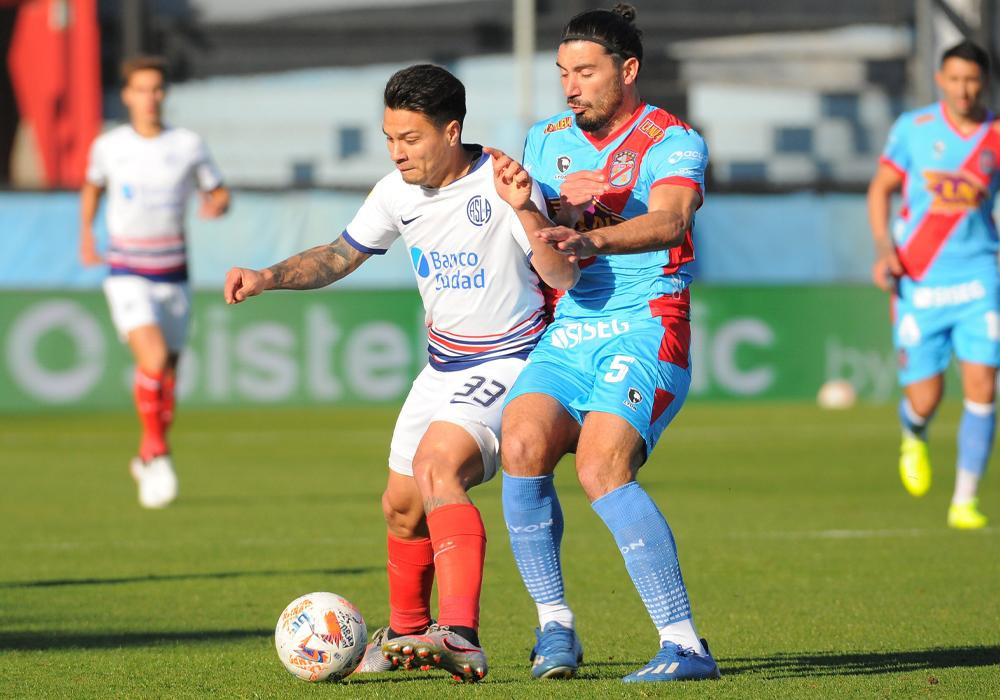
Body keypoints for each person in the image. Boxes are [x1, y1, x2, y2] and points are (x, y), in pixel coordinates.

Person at [223, 64, 576, 682]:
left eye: (410, 138)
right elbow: (339, 254)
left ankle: (460, 636)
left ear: (451, 130)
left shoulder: (504, 184)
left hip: (509, 359)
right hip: (441, 365)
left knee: (437, 467)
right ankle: (409, 638)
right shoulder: (396, 191)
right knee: (400, 507)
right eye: (389, 137)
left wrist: (526, 214)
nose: (397, 151)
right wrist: (268, 277)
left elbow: (560, 276)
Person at [497, 3, 720, 684]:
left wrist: (592, 227)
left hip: (649, 322)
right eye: (563, 72)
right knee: (521, 444)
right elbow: (551, 255)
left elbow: (671, 218)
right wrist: (540, 209)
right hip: (571, 327)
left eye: (585, 72)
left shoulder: (673, 140)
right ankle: (554, 630)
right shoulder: (545, 140)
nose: (571, 85)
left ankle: (685, 646)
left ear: (627, 70)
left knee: (599, 468)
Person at [80, 55, 230, 509]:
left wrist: (218, 204)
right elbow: (92, 187)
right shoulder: (109, 145)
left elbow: (217, 189)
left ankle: (148, 453)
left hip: (174, 273)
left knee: (168, 375)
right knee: (154, 356)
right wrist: (86, 235)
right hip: (127, 270)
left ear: (165, 94)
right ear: (127, 95)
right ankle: (156, 450)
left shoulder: (187, 144)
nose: (150, 97)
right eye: (141, 89)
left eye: (157, 89)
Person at [868, 40, 998, 530]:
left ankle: (965, 499)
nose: (964, 89)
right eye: (955, 79)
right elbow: (880, 189)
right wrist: (885, 249)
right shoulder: (914, 129)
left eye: (973, 80)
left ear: (983, 82)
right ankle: (914, 432)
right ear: (941, 80)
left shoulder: (996, 135)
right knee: (926, 397)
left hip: (980, 275)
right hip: (920, 276)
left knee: (984, 384)